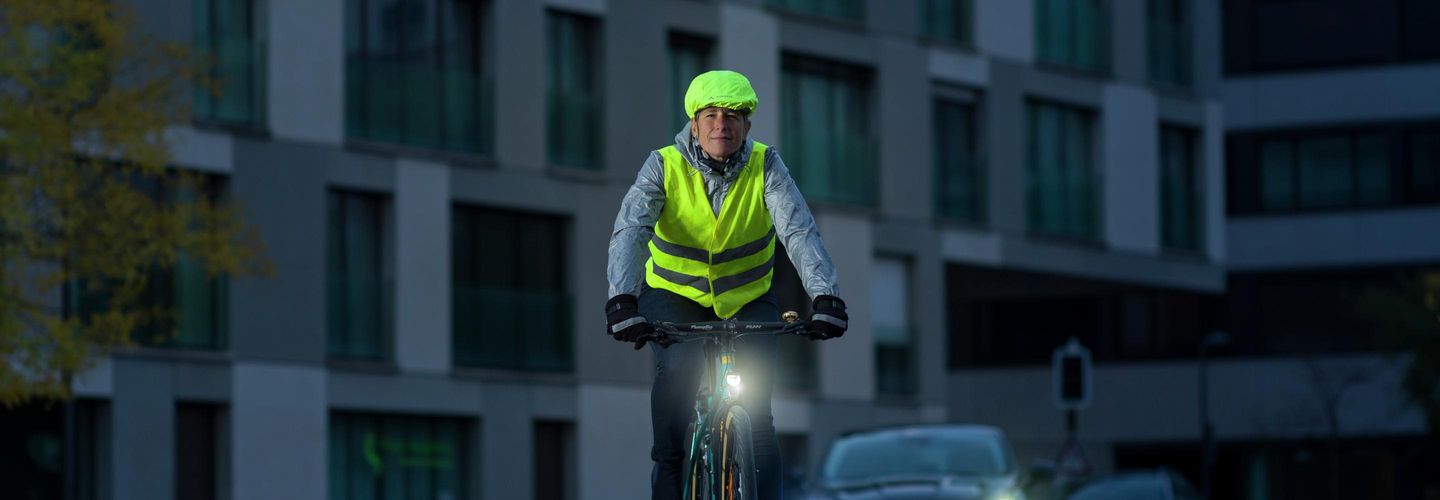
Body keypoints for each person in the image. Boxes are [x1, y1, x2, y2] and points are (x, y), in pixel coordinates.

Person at [604, 70, 849, 500]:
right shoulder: (664, 164)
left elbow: (799, 231)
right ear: (694, 124)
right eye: (712, 115)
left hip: (748, 299)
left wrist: (825, 293)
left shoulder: (766, 165)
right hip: (673, 296)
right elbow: (631, 230)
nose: (723, 124)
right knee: (677, 381)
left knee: (758, 418)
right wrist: (622, 300)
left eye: (734, 116)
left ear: (747, 126)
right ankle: (670, 468)